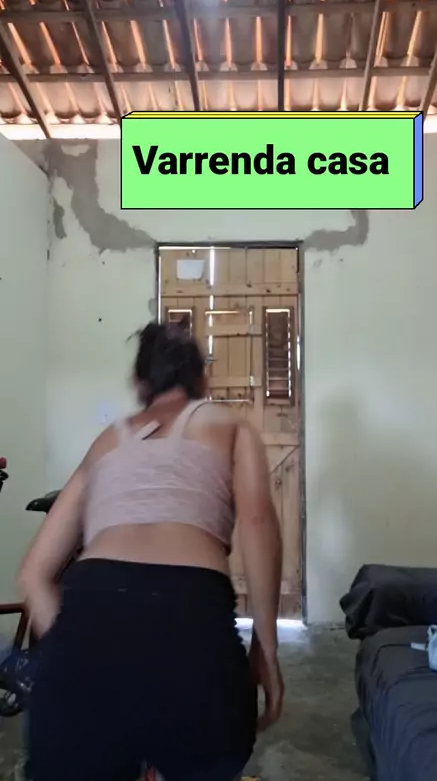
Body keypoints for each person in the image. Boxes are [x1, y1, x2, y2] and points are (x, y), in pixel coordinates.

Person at [18, 321, 284, 781]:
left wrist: (69, 653)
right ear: (201, 379)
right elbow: (258, 524)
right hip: (191, 624)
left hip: (89, 622)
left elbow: (33, 575)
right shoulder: (230, 426)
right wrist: (266, 648)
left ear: (140, 383)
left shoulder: (107, 441)